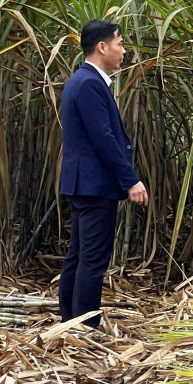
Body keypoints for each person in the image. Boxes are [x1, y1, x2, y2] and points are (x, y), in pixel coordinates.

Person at [58, 20, 149, 329]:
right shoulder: (88, 84)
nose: (123, 51)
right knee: (92, 260)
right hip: (94, 184)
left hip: (84, 182)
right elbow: (104, 138)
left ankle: (70, 322)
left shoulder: (81, 81)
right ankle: (85, 326)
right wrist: (131, 180)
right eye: (120, 44)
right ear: (102, 47)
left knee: (79, 255)